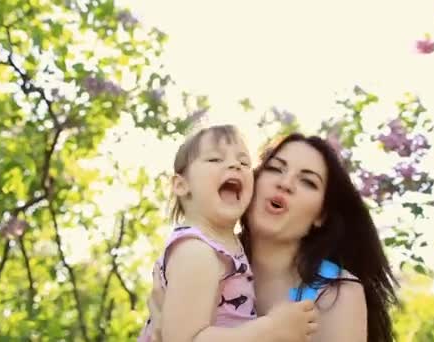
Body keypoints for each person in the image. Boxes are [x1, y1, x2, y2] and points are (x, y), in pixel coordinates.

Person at [147, 132, 399, 342]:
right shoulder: (204, 256)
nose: (286, 183)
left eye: (308, 182)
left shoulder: (337, 292)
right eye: (276, 169)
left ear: (321, 215)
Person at [138, 125, 318, 342]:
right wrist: (270, 330)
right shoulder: (196, 252)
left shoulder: (227, 248)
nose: (234, 165)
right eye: (215, 159)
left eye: (244, 163)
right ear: (181, 185)